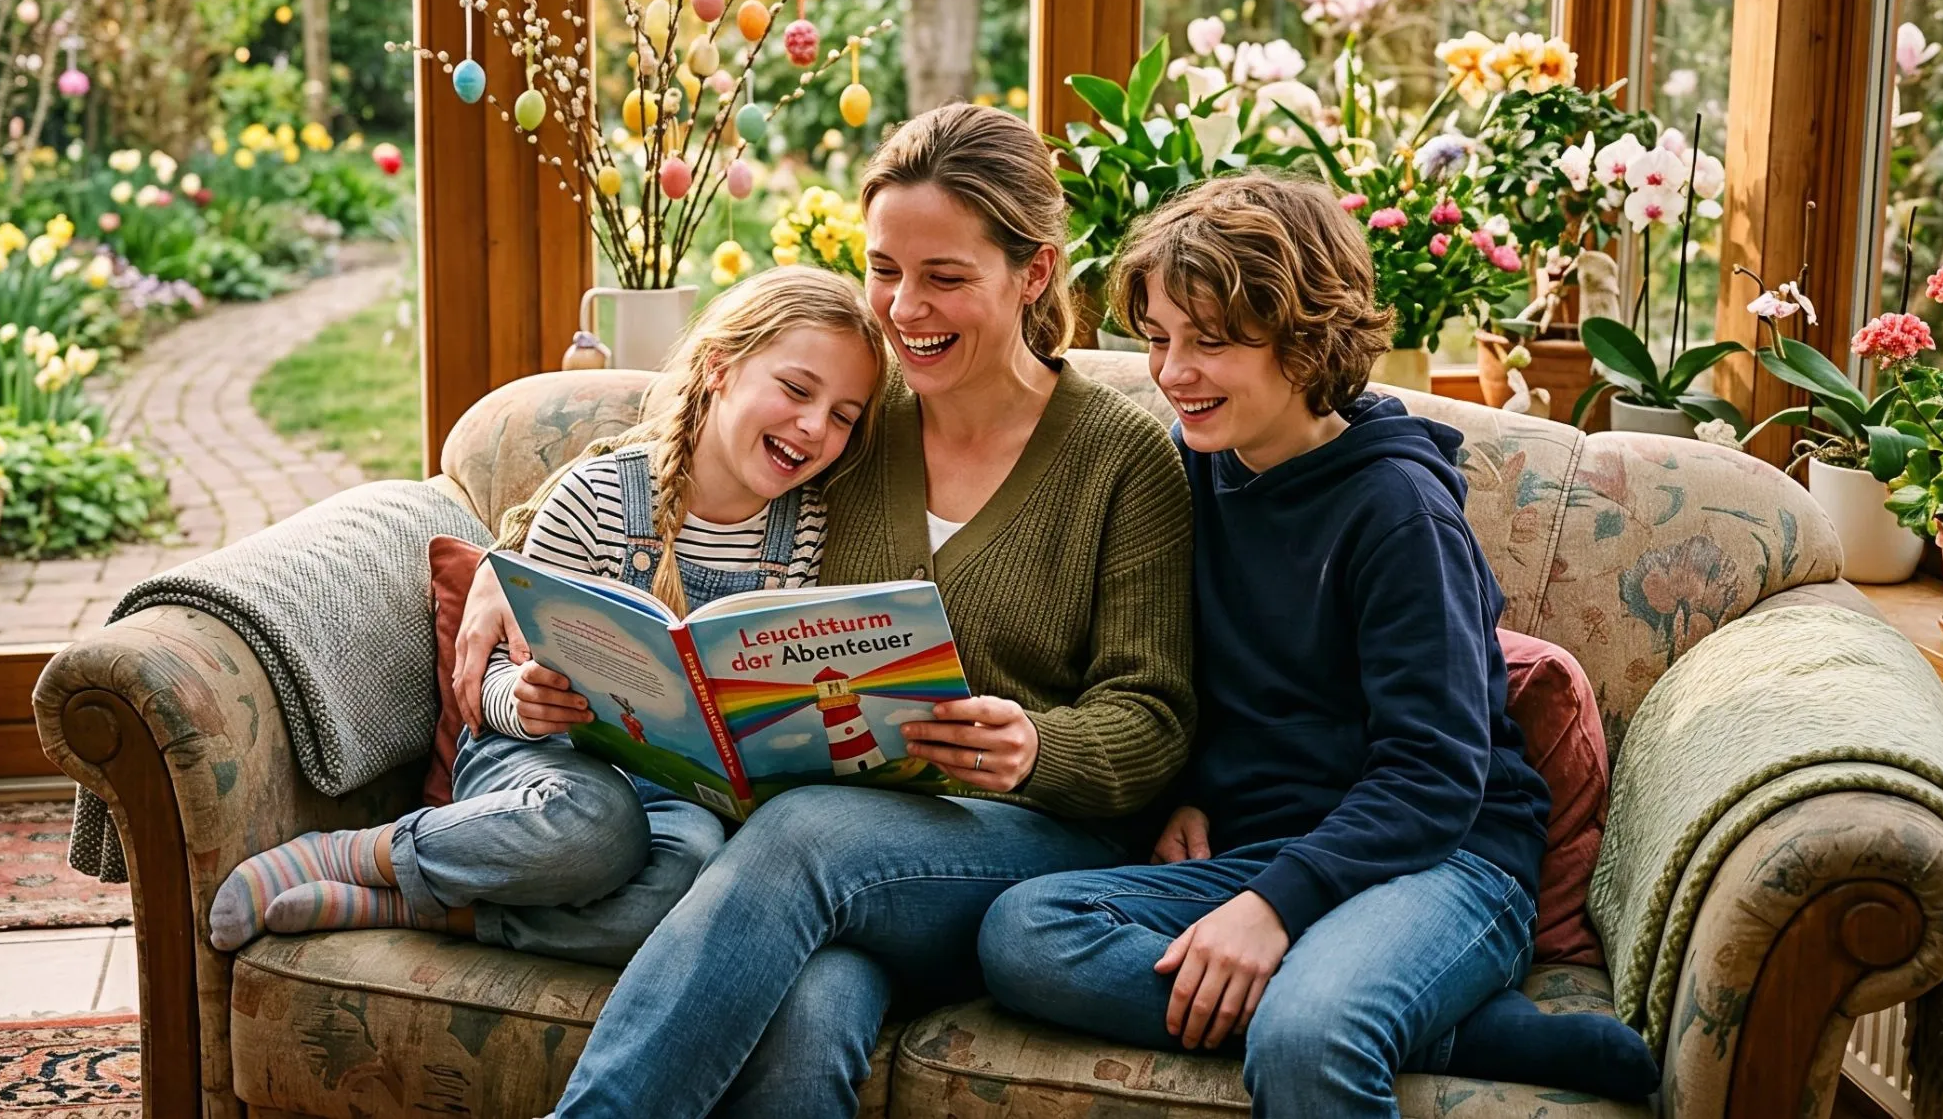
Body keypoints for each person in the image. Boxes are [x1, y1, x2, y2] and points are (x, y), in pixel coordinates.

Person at [452, 103, 1198, 1119]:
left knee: (805, 832)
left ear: (1032, 276)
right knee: (814, 1001)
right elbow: (674, 447)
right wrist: (515, 542)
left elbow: (1154, 717)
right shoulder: (852, 420)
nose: (904, 307)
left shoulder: (1122, 458)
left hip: (1027, 842)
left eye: (944, 277)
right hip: (843, 863)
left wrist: (1034, 744)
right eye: (886, 268)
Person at [978, 176, 1659, 1116]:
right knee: (1025, 932)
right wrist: (1188, 792)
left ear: (1306, 343)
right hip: (1269, 846)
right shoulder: (1191, 469)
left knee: (1308, 1036)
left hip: (1445, 860)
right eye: (1159, 338)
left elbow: (1434, 773)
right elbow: (1183, 675)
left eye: (1210, 342)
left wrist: (1272, 909)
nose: (1174, 371)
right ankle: (1454, 1029)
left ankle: (1347, 1005)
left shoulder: (1398, 513)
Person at [204, 266, 885, 965]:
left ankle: (415, 906)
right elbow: (491, 680)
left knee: (686, 881)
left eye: (843, 415)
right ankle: (359, 851)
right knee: (599, 825)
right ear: (720, 368)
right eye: (797, 389)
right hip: (537, 761)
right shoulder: (596, 498)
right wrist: (524, 704)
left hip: (684, 798)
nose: (813, 425)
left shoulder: (806, 532)